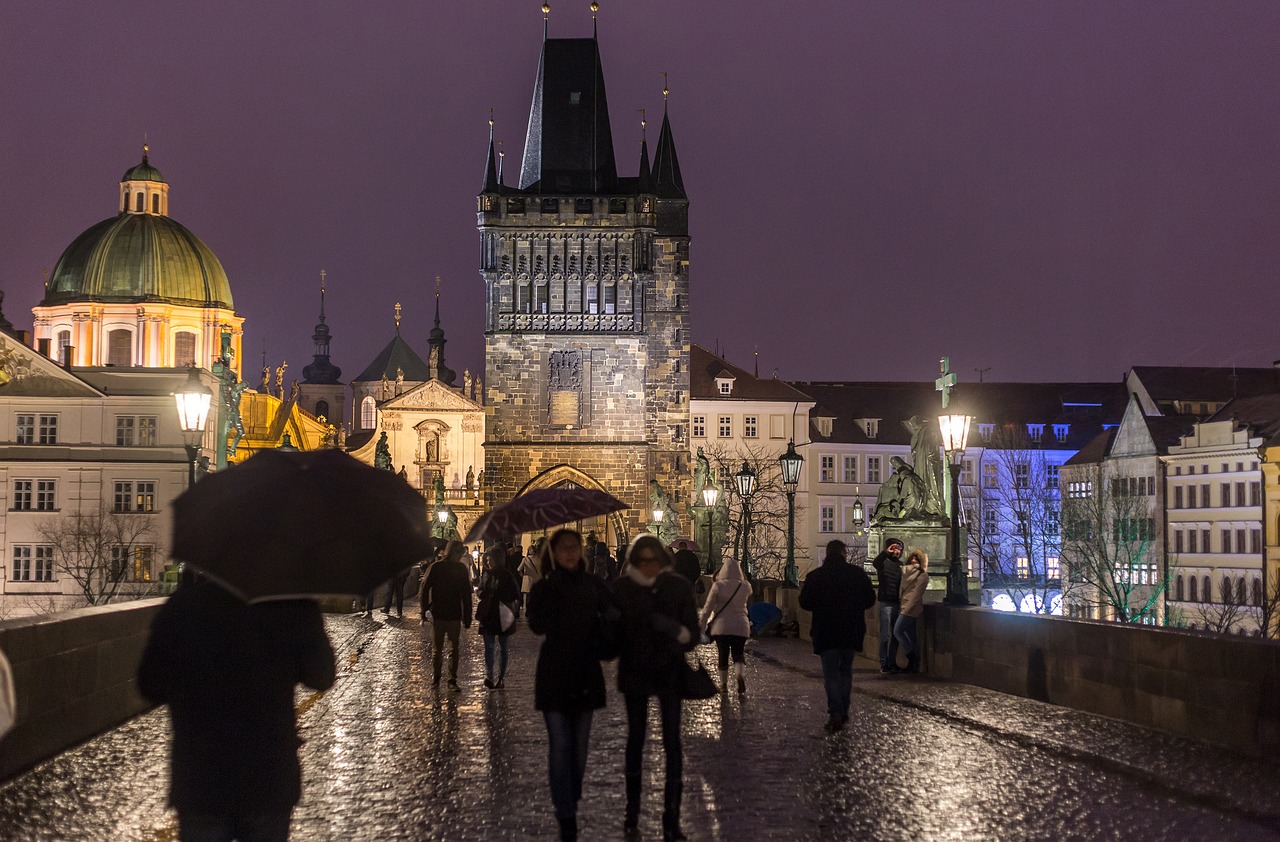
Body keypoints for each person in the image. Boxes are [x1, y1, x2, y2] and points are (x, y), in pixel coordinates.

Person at [138, 574, 336, 841]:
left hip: (202, 776)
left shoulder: (185, 606)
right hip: (267, 776)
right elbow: (322, 676)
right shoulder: (292, 605)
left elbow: (149, 684)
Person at [526, 529, 618, 842]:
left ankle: (571, 795)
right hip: (554, 673)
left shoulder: (594, 585)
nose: (569, 553)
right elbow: (536, 625)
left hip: (585, 673)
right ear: (553, 553)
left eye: (574, 548)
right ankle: (565, 812)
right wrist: (551, 591)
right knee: (560, 745)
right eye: (563, 548)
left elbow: (613, 615)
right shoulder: (544, 587)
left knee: (578, 749)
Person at [612, 535, 699, 841]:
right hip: (635, 672)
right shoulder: (622, 589)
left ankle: (671, 817)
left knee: (672, 742)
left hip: (669, 672)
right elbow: (611, 643)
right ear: (634, 562)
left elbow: (693, 635)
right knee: (636, 739)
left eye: (653, 559)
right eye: (642, 560)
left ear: (663, 560)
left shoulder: (678, 587)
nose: (648, 566)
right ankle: (632, 809)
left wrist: (675, 630)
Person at [798, 540, 876, 733]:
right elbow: (870, 600)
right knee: (846, 671)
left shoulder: (815, 576)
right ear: (844, 553)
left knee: (831, 674)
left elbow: (805, 602)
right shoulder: (857, 575)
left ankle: (836, 713)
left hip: (826, 631)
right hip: (851, 630)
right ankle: (844, 709)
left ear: (827, 553)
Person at [419, 540, 473, 688]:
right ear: (454, 552)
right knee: (446, 649)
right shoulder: (457, 568)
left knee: (446, 649)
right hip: (444, 613)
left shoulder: (436, 567)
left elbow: (424, 589)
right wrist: (424, 610)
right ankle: (443, 679)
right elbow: (466, 595)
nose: (460, 556)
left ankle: (446, 679)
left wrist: (424, 609)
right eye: (459, 553)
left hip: (445, 613)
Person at [697, 557, 751, 695]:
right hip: (741, 625)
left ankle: (724, 685)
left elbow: (707, 609)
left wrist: (701, 628)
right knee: (738, 654)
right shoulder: (745, 586)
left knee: (723, 654)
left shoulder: (718, 586)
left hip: (721, 626)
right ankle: (739, 675)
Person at [476, 547, 520, 689]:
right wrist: (483, 594)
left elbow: (515, 593)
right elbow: (481, 589)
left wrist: (500, 597)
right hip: (489, 614)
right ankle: (488, 675)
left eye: (490, 560)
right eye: (486, 560)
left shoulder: (507, 575)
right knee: (489, 646)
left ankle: (501, 678)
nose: (488, 563)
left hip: (503, 613)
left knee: (503, 647)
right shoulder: (486, 574)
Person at [871, 538, 905, 674]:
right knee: (885, 635)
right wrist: (885, 552)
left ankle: (892, 662)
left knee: (896, 635)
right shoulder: (883, 562)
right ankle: (884, 664)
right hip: (885, 602)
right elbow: (875, 563)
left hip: (896, 602)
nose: (897, 551)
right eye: (895, 548)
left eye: (899, 549)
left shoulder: (900, 565)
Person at [895, 548, 930, 674]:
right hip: (904, 605)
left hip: (910, 608)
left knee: (897, 631)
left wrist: (906, 609)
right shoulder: (906, 573)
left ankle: (912, 657)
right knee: (911, 636)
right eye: (912, 559)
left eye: (916, 559)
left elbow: (916, 595)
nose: (913, 561)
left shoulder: (922, 576)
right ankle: (913, 665)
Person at [520, 538, 546, 609]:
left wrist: (522, 575)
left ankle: (528, 610)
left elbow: (519, 569)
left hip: (528, 579)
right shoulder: (539, 558)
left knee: (528, 597)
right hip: (537, 579)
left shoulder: (525, 559)